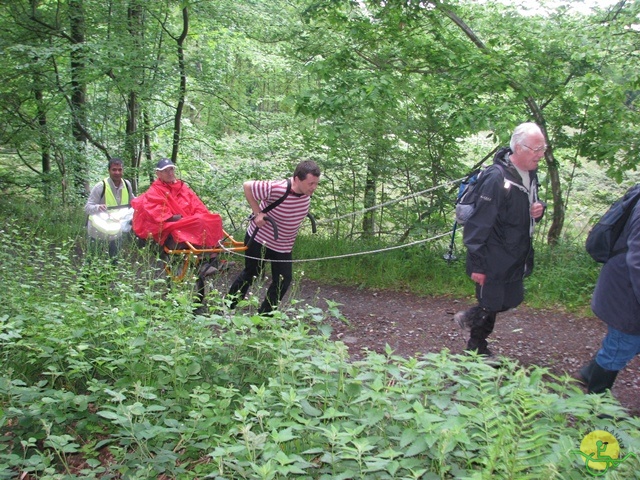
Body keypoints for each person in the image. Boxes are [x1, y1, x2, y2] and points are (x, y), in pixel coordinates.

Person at [454, 122, 546, 356]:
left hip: (515, 254)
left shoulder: (530, 174)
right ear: (518, 148)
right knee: (491, 304)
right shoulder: (496, 179)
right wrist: (478, 265)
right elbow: (478, 225)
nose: (541, 155)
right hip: (492, 256)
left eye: (542, 148)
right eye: (536, 149)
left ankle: (469, 318)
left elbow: (526, 205)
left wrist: (539, 209)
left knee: (512, 299)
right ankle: (476, 350)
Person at [227, 160, 321, 314]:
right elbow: (247, 185)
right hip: (259, 239)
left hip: (283, 245)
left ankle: (264, 316)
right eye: (311, 183)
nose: (314, 188)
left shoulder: (305, 194)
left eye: (316, 183)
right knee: (252, 273)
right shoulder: (278, 188)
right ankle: (228, 307)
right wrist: (258, 213)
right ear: (297, 179)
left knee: (284, 280)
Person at [579, 196, 640, 394]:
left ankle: (589, 374)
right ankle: (596, 404)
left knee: (624, 343)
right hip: (627, 288)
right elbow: (637, 260)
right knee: (622, 343)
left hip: (626, 283)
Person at [131, 158, 223, 277]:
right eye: (166, 171)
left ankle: (214, 259)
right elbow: (158, 213)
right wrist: (179, 218)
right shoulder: (154, 191)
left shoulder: (182, 188)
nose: (170, 173)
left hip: (188, 221)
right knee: (198, 222)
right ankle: (201, 262)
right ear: (158, 174)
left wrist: (200, 216)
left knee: (214, 219)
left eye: (171, 170)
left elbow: (197, 205)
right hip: (170, 226)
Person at [84, 157, 134, 261]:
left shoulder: (127, 185)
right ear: (109, 171)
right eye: (114, 169)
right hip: (97, 230)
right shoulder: (100, 187)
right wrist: (98, 207)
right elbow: (87, 207)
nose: (117, 172)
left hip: (116, 229)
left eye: (120, 169)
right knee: (91, 260)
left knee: (114, 260)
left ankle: (112, 276)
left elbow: (133, 201)